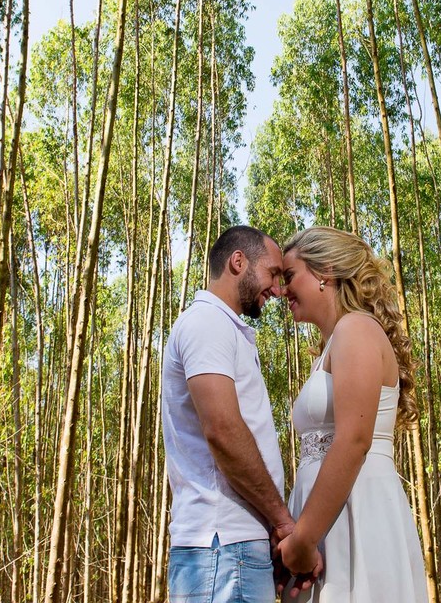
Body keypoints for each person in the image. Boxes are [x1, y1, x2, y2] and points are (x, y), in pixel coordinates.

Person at [161, 225, 317, 602]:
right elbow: (223, 430)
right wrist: (282, 521)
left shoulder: (222, 327)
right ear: (238, 262)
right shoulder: (207, 323)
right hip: (222, 549)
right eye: (273, 274)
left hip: (232, 547)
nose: (278, 290)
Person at [274, 226, 428, 602]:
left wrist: (304, 540)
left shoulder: (356, 328)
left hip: (358, 514)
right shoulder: (333, 345)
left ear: (325, 270)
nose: (282, 290)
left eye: (289, 276)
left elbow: (354, 442)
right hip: (324, 524)